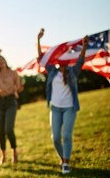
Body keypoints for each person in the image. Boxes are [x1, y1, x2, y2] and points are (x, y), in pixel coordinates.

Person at [37, 28, 88, 174]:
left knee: (66, 135)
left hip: (69, 108)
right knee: (55, 138)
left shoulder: (73, 71)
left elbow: (81, 60)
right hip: (55, 108)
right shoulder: (52, 71)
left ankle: (66, 162)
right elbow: (41, 58)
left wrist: (84, 46)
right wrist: (38, 39)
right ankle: (62, 157)